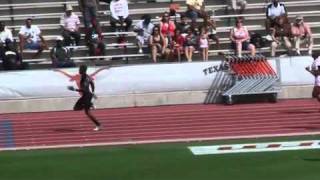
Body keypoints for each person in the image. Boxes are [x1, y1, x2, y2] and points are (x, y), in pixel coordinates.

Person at [67, 65, 101, 131]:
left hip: (87, 96)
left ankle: (98, 125)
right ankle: (90, 104)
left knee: (87, 112)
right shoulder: (87, 76)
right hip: (86, 95)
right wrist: (93, 92)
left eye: (80, 69)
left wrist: (74, 89)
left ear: (83, 70)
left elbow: (84, 90)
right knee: (76, 108)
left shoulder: (84, 77)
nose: (79, 70)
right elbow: (92, 84)